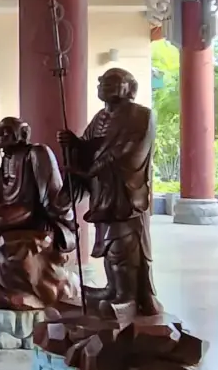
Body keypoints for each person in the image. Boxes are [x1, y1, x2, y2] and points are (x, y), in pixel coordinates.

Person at [59, 69, 159, 317]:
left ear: (129, 88)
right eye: (103, 81)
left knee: (123, 244)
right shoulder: (100, 117)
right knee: (106, 241)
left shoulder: (141, 115)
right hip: (103, 192)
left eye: (113, 81)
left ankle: (128, 295)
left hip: (125, 192)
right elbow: (89, 145)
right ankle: (113, 288)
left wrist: (91, 169)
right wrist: (73, 144)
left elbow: (129, 151)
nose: (105, 85)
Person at [0, 117, 80, 310]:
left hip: (28, 209)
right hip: (9, 206)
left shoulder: (35, 153)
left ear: (22, 134)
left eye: (6, 132)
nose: (0, 136)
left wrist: (52, 219)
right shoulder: (8, 158)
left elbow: (49, 191)